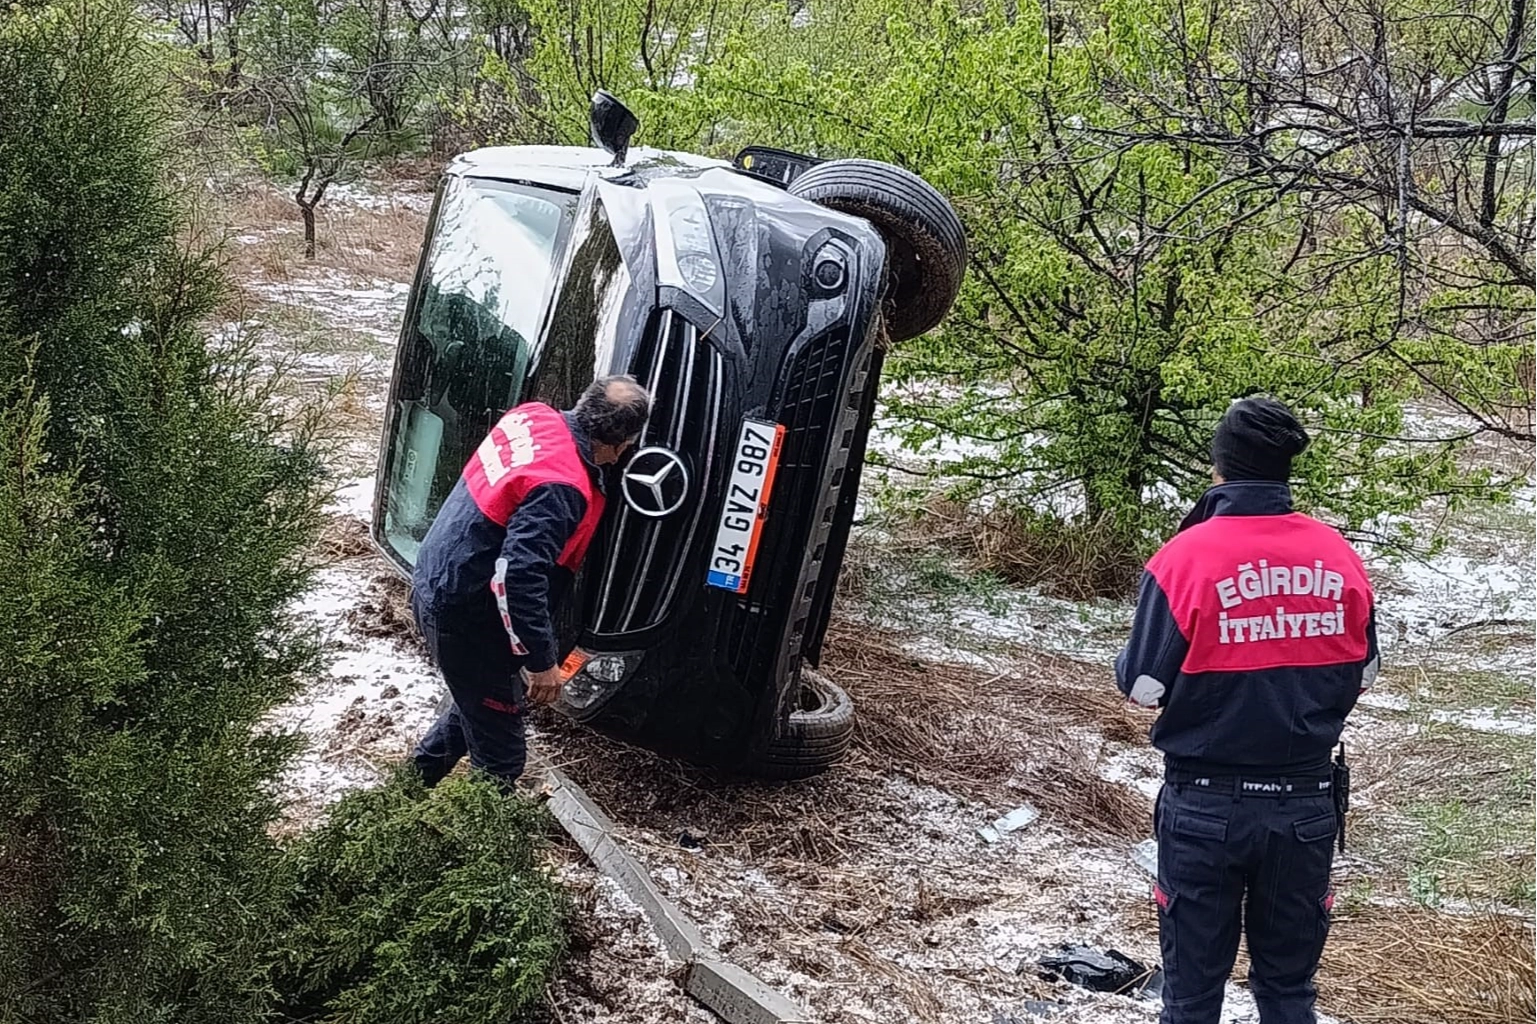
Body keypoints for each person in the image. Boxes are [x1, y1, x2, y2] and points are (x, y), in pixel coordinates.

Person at [1115, 397, 1378, 1024]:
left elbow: (1143, 687)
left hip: (1204, 807)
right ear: (1286, 468)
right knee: (1288, 994)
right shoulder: (1337, 554)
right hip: (1307, 807)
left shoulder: (1185, 558)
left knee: (1192, 997)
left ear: (1219, 466)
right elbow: (1364, 670)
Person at [410, 375, 651, 788]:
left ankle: (402, 797)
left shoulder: (534, 417)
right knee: (501, 759)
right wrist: (541, 661)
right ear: (619, 442)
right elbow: (518, 577)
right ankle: (476, 845)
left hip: (438, 577)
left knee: (476, 707)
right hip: (465, 614)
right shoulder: (561, 488)